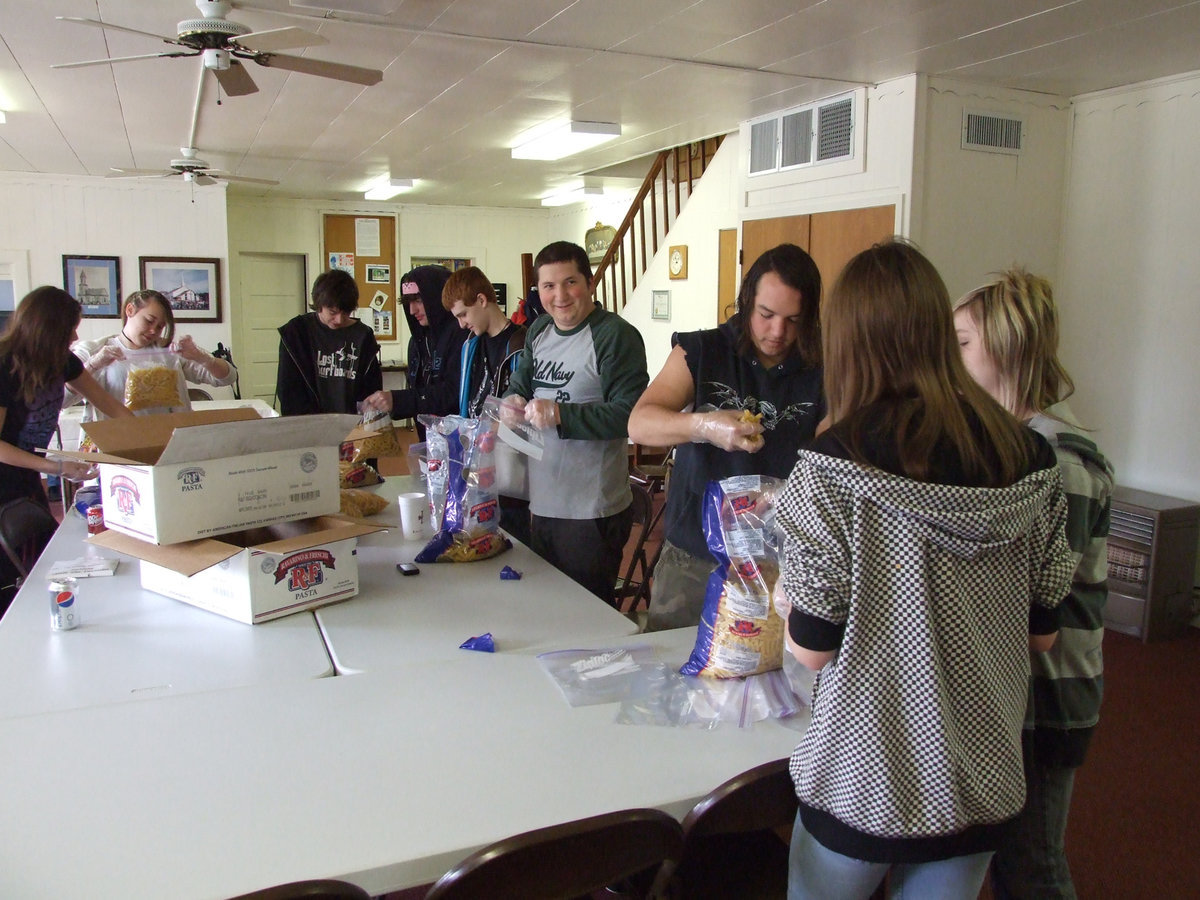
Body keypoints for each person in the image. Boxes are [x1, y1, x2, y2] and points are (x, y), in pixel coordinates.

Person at [772, 240, 1076, 900]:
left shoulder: (833, 468)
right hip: (978, 775)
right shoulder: (1029, 455)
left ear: (848, 341)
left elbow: (812, 647)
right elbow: (1043, 634)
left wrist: (782, 597)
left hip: (866, 774)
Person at [954, 270, 1115, 900]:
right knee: (1007, 857)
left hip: (1050, 698)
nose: (953, 358)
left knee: (1032, 865)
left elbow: (1034, 598)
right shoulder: (1023, 443)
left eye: (964, 343)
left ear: (1007, 348)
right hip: (1020, 689)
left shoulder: (1059, 459)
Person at [627, 243, 824, 630]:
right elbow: (640, 423)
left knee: (768, 683)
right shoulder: (702, 350)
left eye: (794, 320)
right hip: (695, 555)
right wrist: (705, 426)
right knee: (675, 670)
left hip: (781, 561)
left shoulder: (823, 367)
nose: (778, 332)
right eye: (766, 315)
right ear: (747, 301)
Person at [503, 240, 649, 603]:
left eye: (570, 282)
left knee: (588, 614)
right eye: (549, 286)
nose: (560, 296)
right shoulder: (539, 331)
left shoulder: (615, 335)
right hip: (544, 500)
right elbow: (520, 381)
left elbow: (630, 415)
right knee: (549, 607)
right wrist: (512, 400)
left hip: (591, 509)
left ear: (589, 283)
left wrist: (561, 414)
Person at [0, 287, 133, 603]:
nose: (75, 335)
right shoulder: (4, 367)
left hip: (27, 477)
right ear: (48, 329)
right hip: (6, 481)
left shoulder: (62, 361)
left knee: (41, 563)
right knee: (12, 578)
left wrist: (151, 440)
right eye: (70, 328)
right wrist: (56, 467)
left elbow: (110, 406)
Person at [442, 266, 530, 545]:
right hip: (476, 465)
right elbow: (465, 405)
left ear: (482, 300)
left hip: (512, 468)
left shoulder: (524, 342)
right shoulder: (469, 346)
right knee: (478, 541)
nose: (461, 324)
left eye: (463, 314)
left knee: (515, 545)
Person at [69, 289, 237, 422]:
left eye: (160, 327)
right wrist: (92, 365)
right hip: (117, 442)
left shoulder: (170, 350)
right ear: (130, 310)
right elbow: (62, 400)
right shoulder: (94, 350)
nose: (153, 331)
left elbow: (227, 377)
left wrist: (202, 358)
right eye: (149, 321)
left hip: (170, 440)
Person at [362, 264, 467, 440]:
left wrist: (398, 400)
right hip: (427, 438)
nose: (412, 310)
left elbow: (453, 392)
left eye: (419, 301)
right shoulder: (416, 342)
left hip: (458, 437)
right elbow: (418, 388)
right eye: (408, 303)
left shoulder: (461, 336)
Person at [276, 269, 382, 415]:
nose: (339, 319)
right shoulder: (296, 333)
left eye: (345, 313)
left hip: (352, 425)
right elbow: (288, 390)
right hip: (308, 425)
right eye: (332, 312)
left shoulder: (363, 336)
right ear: (319, 304)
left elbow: (371, 390)